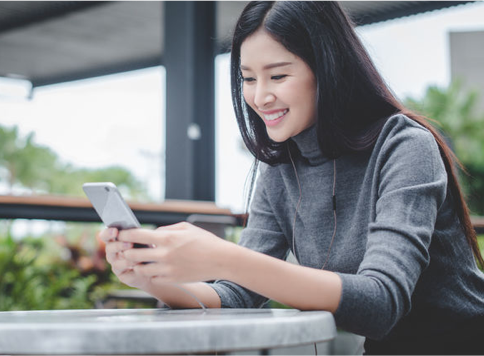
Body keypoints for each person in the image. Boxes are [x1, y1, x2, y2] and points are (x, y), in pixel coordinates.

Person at [100, 0, 484, 354]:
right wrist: (155, 278)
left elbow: (381, 303)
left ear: (328, 68)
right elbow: (237, 295)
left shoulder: (405, 145)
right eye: (248, 79)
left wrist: (224, 257)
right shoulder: (281, 166)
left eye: (278, 76)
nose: (259, 96)